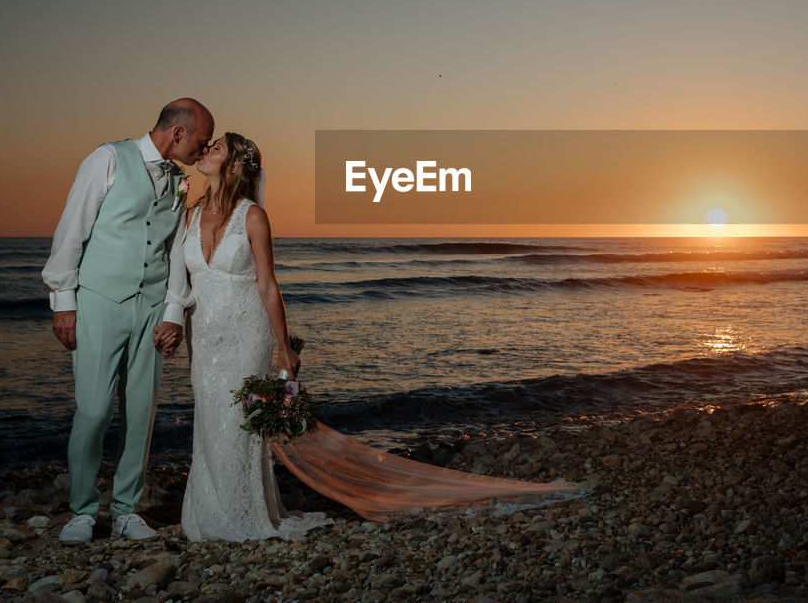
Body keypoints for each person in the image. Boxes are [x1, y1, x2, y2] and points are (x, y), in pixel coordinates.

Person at [177, 132, 586, 542]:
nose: (206, 149)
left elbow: (268, 286)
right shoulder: (190, 214)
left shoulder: (253, 217)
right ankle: (206, 511)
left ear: (232, 167)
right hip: (205, 335)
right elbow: (180, 280)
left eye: (216, 148)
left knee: (238, 423)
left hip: (246, 333)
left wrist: (285, 349)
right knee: (210, 419)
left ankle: (239, 515)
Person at [43, 98, 214, 544]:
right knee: (94, 410)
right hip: (100, 301)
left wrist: (174, 311)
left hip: (152, 308)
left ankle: (125, 510)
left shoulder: (181, 182)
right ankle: (82, 511)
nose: (205, 147)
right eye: (201, 138)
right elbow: (72, 229)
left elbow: (175, 248)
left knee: (141, 412)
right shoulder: (106, 159)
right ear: (178, 132)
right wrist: (63, 300)